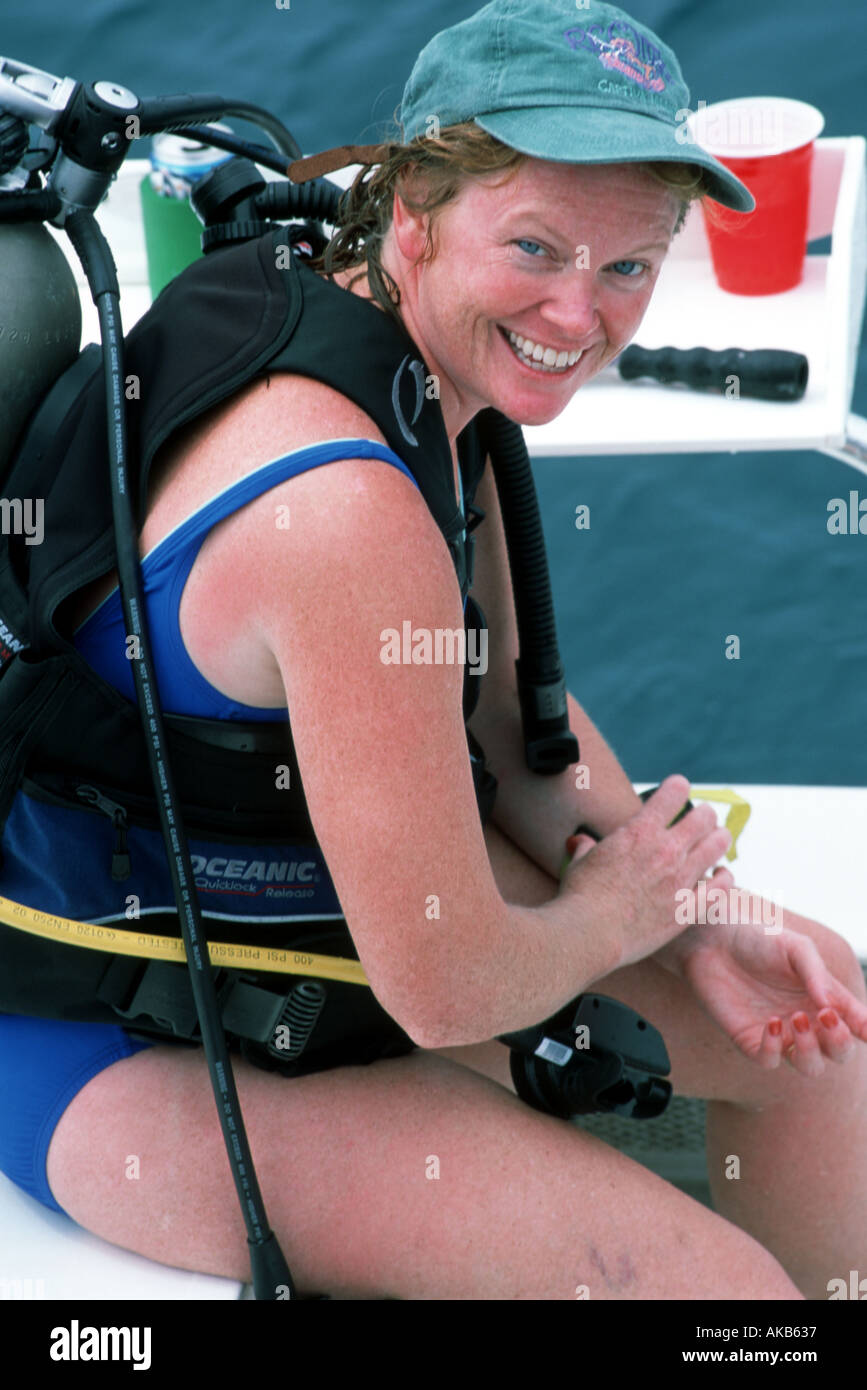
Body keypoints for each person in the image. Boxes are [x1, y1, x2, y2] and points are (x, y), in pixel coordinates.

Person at [2, 0, 866, 1301]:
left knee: (826, 1031)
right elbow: (449, 983)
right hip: (115, 1031)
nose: (581, 313)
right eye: (536, 244)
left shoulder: (412, 355)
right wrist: (624, 908)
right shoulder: (344, 508)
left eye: (630, 266)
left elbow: (520, 739)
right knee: (708, 1293)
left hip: (310, 928)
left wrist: (694, 925)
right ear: (411, 210)